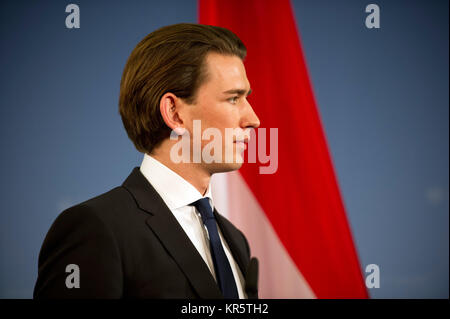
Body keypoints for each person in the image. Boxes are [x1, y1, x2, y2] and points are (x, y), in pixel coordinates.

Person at [33, 23, 260, 299]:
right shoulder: (96, 229)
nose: (253, 120)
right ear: (175, 114)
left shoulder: (235, 241)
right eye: (234, 98)